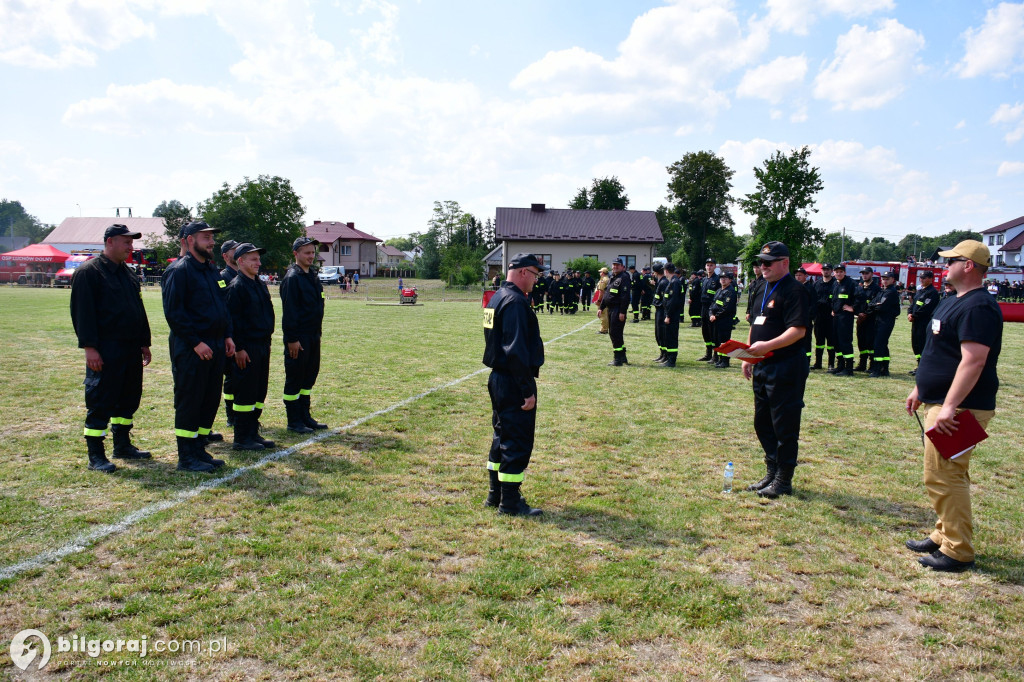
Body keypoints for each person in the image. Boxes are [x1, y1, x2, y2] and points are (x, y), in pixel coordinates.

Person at [905, 240, 1002, 572]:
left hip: (961, 408)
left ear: (970, 266)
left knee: (945, 476)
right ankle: (943, 534)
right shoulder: (952, 301)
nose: (945, 264)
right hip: (941, 401)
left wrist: (949, 406)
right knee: (945, 473)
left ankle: (958, 550)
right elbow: (939, 353)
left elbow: (973, 362)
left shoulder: (979, 306)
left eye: (953, 260)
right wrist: (921, 388)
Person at [70, 224, 153, 473]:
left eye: (131, 242)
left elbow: (138, 310)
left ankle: (123, 444)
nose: (131, 247)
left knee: (128, 398)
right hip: (106, 349)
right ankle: (96, 454)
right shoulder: (89, 273)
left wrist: (144, 342)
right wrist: (89, 348)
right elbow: (82, 313)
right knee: (101, 400)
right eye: (126, 242)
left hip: (129, 348)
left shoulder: (127, 273)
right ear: (109, 242)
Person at [162, 221, 235, 472]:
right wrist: (196, 342)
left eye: (212, 237)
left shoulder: (211, 270)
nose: (211, 242)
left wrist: (227, 335)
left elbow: (222, 306)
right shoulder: (179, 271)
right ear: (190, 240)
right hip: (192, 347)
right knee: (190, 400)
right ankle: (186, 456)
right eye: (205, 237)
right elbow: (174, 312)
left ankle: (199, 449)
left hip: (215, 344)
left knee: (209, 399)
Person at [742, 241, 811, 498]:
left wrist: (766, 346)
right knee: (763, 422)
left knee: (784, 423)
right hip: (762, 364)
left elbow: (798, 330)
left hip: (786, 366)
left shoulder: (795, 290)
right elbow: (755, 321)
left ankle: (783, 479)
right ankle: (771, 471)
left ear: (785, 262)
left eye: (768, 263)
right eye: (761, 262)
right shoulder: (761, 286)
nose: (763, 266)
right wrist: (749, 354)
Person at [483, 253, 545, 517]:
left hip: (498, 378)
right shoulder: (516, 302)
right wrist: (527, 390)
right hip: (512, 379)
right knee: (516, 439)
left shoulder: (496, 297)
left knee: (501, 435)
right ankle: (509, 502)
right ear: (522, 272)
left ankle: (494, 495)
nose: (536, 279)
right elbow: (516, 350)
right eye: (535, 274)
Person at [226, 243, 276, 451]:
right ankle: (241, 436)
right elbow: (232, 321)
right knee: (245, 393)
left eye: (258, 259)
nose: (259, 263)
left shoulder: (259, 284)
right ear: (241, 261)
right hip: (247, 348)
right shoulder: (237, 287)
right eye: (253, 259)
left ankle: (252, 431)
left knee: (258, 392)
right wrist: (239, 348)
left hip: (263, 345)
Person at [281, 237, 328, 433]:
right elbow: (290, 312)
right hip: (298, 339)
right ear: (296, 254)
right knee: (295, 378)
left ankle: (305, 416)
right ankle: (294, 420)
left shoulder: (312, 275)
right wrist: (292, 339)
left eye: (312, 252)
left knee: (309, 377)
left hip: (313, 335)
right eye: (306, 253)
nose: (311, 256)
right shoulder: (293, 278)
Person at [219, 240, 240, 426]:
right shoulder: (223, 278)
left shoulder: (245, 276)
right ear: (225, 256)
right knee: (231, 377)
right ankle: (231, 415)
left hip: (244, 335)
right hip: (231, 335)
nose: (239, 253)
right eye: (235, 251)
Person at [866, 270, 901, 377]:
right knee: (883, 345)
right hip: (879, 320)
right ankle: (884, 368)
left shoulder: (891, 292)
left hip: (886, 321)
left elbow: (881, 306)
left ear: (892, 280)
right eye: (883, 279)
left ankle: (877, 369)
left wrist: (875, 305)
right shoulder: (882, 291)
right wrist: (874, 305)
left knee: (878, 344)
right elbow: (872, 303)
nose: (884, 281)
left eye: (887, 279)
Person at [908, 270, 940, 376]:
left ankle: (924, 367)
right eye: (920, 278)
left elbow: (926, 308)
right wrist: (909, 313)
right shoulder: (920, 291)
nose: (921, 280)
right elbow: (913, 304)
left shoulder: (932, 293)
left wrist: (914, 315)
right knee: (915, 343)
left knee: (922, 343)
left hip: (924, 322)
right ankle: (919, 365)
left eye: (924, 278)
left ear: (930, 279)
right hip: (916, 321)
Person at [600, 258, 632, 365]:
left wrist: (622, 312)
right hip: (611, 309)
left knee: (615, 333)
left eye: (617, 265)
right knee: (616, 333)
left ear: (623, 267)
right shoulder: (613, 277)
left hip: (618, 310)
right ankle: (622, 357)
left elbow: (625, 297)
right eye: (613, 265)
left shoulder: (624, 278)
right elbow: (607, 294)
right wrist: (601, 307)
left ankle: (617, 359)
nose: (615, 267)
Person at [829, 264, 856, 376]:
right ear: (834, 273)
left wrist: (853, 308)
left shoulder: (850, 284)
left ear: (844, 272)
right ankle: (840, 365)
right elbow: (833, 298)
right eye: (836, 272)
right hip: (836, 316)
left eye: (841, 271)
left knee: (845, 341)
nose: (838, 274)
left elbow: (860, 297)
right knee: (837, 341)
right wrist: (833, 309)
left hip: (845, 317)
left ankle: (849, 368)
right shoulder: (835, 283)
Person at [853, 267, 880, 372]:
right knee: (861, 342)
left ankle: (872, 365)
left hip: (871, 320)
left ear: (871, 274)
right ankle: (862, 364)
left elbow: (876, 305)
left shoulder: (876, 289)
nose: (864, 275)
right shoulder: (859, 288)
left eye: (867, 273)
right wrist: (857, 313)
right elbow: (856, 303)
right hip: (860, 320)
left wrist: (866, 314)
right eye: (863, 273)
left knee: (870, 343)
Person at [709, 270, 737, 368]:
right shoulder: (719, 290)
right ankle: (720, 359)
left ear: (730, 280)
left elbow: (726, 308)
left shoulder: (730, 291)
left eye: (725, 278)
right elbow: (713, 304)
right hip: (716, 320)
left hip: (725, 320)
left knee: (724, 341)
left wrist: (716, 316)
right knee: (718, 340)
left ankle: (725, 361)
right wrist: (711, 314)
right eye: (721, 278)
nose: (723, 280)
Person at [658, 263, 682, 367]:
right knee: (668, 336)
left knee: (671, 337)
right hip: (669, 313)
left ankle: (672, 360)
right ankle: (669, 358)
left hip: (672, 315)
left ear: (666, 271)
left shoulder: (674, 282)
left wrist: (668, 315)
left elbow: (673, 301)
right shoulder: (672, 281)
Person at [812, 264, 836, 370]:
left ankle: (831, 364)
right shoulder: (816, 284)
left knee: (831, 342)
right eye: (824, 270)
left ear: (831, 271)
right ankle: (818, 363)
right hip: (819, 317)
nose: (825, 272)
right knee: (819, 342)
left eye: (827, 270)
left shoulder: (835, 284)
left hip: (831, 318)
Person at [698, 259, 720, 360]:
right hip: (704, 307)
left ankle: (715, 355)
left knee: (713, 331)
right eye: (707, 265)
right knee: (705, 331)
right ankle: (708, 353)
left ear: (715, 267)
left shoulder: (717, 279)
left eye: (711, 265)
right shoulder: (704, 280)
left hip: (712, 308)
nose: (709, 267)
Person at [794, 267, 815, 364]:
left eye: (800, 275)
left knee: (806, 341)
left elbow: (813, 304)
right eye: (796, 275)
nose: (798, 277)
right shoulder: (794, 287)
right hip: (795, 319)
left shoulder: (810, 288)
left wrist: (808, 316)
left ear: (805, 276)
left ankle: (806, 361)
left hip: (805, 319)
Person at [651, 262, 669, 363]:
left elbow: (664, 299)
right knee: (658, 333)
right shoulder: (660, 281)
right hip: (659, 310)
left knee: (662, 333)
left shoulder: (664, 282)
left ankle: (665, 355)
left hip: (662, 310)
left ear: (655, 272)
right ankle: (662, 353)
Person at [595, 267, 610, 334]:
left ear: (603, 273)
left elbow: (601, 291)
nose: (600, 273)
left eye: (600, 272)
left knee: (603, 314)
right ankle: (606, 328)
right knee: (606, 314)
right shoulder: (608, 279)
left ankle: (604, 329)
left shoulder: (603, 280)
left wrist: (599, 300)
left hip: (602, 300)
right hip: (607, 299)